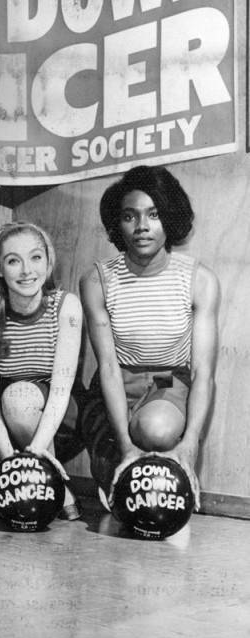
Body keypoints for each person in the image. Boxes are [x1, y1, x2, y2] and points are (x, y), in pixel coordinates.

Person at [78, 164, 220, 511]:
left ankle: (165, 470)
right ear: (118, 223)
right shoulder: (97, 281)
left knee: (156, 430)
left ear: (169, 218)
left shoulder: (199, 280)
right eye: (130, 216)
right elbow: (109, 367)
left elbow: (202, 373)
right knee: (123, 476)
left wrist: (190, 445)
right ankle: (115, 458)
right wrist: (125, 445)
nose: (141, 227)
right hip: (115, 381)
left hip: (164, 378)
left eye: (153, 215)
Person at [0, 221, 83, 520]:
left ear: (48, 262)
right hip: (6, 432)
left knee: (19, 399)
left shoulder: (66, 306)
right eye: (13, 261)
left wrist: (34, 456)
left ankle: (55, 481)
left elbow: (61, 390)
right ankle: (33, 473)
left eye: (35, 257)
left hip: (59, 421)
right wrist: (10, 463)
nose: (26, 270)